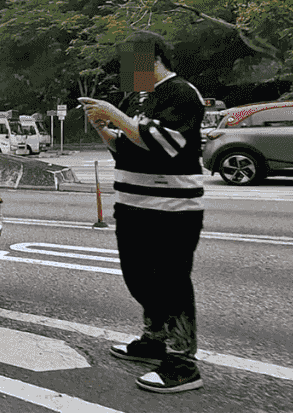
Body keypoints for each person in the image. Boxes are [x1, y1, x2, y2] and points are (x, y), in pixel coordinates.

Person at [78, 29, 206, 394]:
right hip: (133, 205)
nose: (128, 73)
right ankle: (154, 339)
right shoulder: (143, 98)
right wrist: (104, 128)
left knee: (172, 281)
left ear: (153, 59)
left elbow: (164, 142)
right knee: (139, 276)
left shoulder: (181, 92)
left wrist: (114, 114)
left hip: (172, 208)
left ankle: (183, 363)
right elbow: (129, 148)